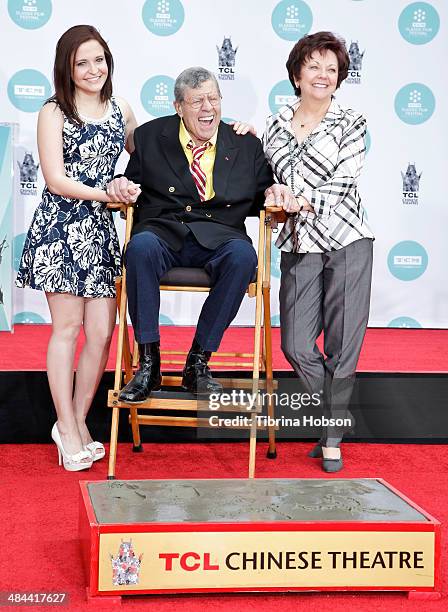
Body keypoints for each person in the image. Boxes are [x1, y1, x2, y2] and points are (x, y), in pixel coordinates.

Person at [106, 66, 287, 402]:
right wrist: (119, 185)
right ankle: (149, 364)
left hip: (220, 236)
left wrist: (277, 194)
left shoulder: (244, 144)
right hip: (163, 232)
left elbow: (265, 192)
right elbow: (131, 185)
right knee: (139, 247)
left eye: (213, 99)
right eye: (197, 101)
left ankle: (198, 363)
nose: (208, 108)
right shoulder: (150, 137)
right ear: (178, 106)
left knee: (244, 258)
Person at [15, 25, 141, 471]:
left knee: (103, 334)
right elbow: (54, 179)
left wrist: (218, 129)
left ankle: (78, 420)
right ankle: (66, 426)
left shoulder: (121, 108)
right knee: (67, 330)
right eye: (81, 62)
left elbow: (149, 154)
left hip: (100, 233)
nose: (93, 70)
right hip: (60, 230)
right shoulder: (54, 111)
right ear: (67, 68)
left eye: (99, 60)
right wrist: (107, 192)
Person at [263, 32, 374, 472]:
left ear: (340, 77)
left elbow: (346, 181)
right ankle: (336, 417)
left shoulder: (353, 121)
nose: (323, 76)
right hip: (298, 243)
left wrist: (300, 201)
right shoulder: (274, 124)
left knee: (344, 342)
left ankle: (330, 439)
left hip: (347, 238)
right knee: (295, 343)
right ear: (297, 73)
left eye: (332, 69)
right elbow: (264, 176)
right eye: (314, 66)